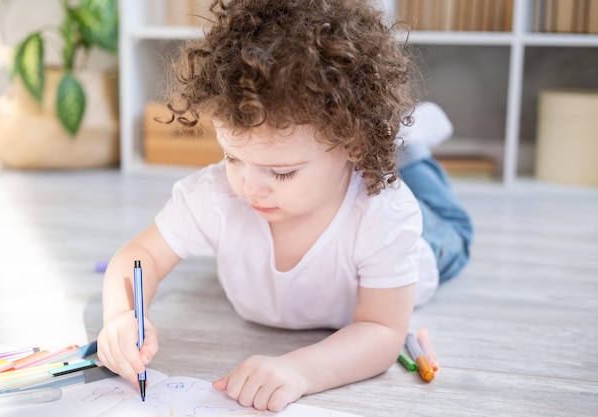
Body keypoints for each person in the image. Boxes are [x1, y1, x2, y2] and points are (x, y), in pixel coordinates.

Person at [97, 0, 473, 412]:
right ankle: (400, 147)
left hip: (426, 248)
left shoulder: (386, 215)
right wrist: (120, 316)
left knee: (449, 225)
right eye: (233, 157)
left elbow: (381, 330)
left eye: (282, 172)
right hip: (352, 167)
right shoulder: (218, 195)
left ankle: (414, 146)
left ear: (353, 144)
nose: (250, 188)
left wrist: (299, 370)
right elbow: (140, 255)